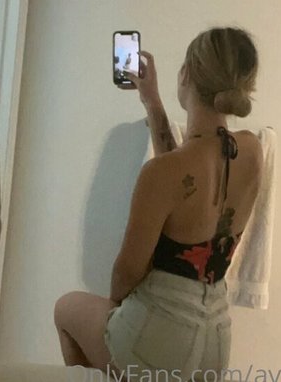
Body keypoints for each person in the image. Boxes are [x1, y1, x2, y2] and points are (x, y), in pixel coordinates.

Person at [54, 27, 263, 380]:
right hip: (215, 343)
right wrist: (151, 102)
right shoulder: (253, 151)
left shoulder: (162, 173)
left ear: (185, 74)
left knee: (66, 309)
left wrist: (119, 309)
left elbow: (126, 275)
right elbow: (185, 178)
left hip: (156, 342)